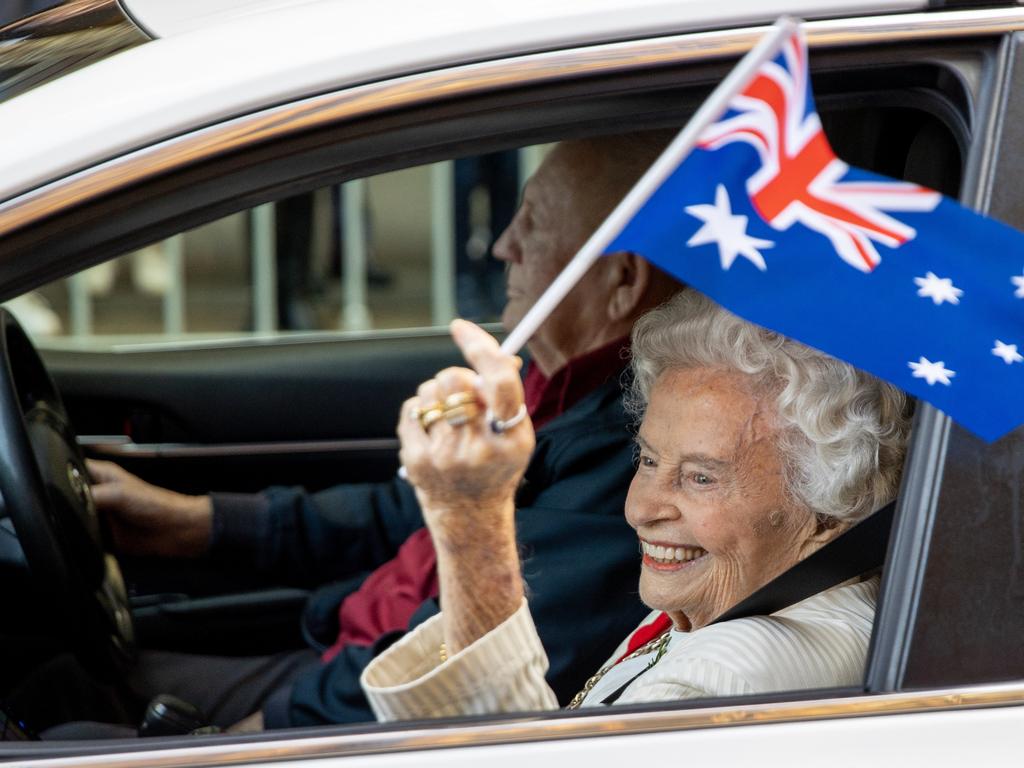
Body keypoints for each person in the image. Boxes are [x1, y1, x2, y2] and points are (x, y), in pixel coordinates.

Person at [70, 133, 681, 733]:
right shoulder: (550, 380)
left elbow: (482, 672)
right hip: (345, 647)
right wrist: (192, 522)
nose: (502, 246)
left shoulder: (632, 445)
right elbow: (400, 512)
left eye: (533, 224)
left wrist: (266, 729)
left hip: (376, 700)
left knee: (67, 704)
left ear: (622, 281)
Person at [359, 290, 909, 719]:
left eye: (699, 477)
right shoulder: (748, 593)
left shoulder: (720, 683)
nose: (642, 508)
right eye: (647, 460)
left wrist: (470, 516)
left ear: (830, 502)